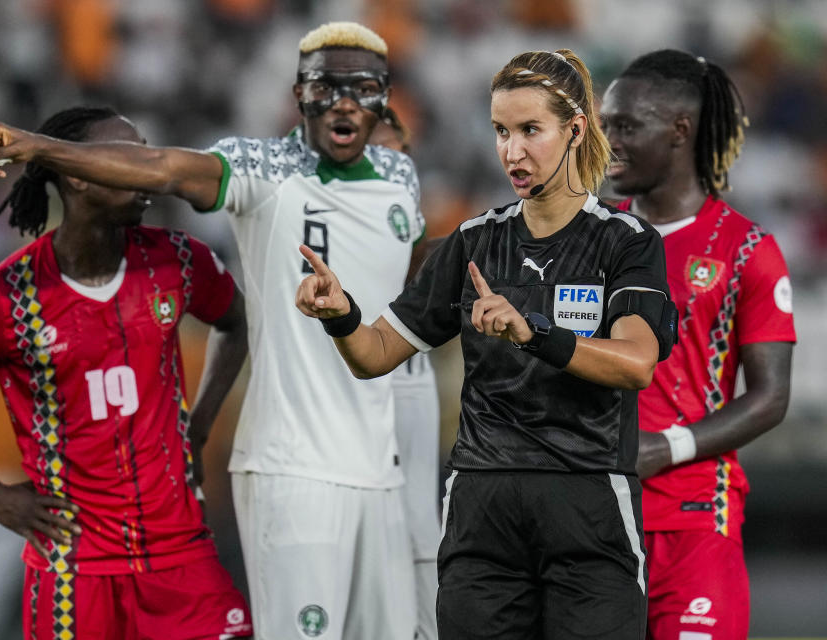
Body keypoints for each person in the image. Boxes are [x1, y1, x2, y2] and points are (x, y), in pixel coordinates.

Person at [0, 22, 423, 640]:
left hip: (384, 472)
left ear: (384, 96)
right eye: (325, 86)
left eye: (361, 88)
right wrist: (39, 147)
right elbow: (164, 167)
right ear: (298, 94)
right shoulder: (262, 166)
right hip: (295, 472)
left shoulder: (402, 178)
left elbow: (408, 272)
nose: (342, 101)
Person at [295, 49, 679, 639]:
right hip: (482, 505)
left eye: (531, 130)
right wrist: (342, 316)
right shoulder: (472, 242)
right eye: (501, 131)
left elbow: (636, 363)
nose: (512, 151)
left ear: (576, 129)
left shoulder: (625, 242)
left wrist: (537, 331)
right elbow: (374, 355)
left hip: (588, 499)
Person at [0, 106, 253, 640]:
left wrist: (200, 425)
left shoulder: (178, 261)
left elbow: (237, 323)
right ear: (77, 174)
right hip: (75, 571)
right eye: (129, 156)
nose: (145, 168)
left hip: (181, 557)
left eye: (147, 152)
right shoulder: (7, 297)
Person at [600, 49, 796, 640]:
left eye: (627, 126)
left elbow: (771, 398)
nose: (608, 141)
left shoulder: (745, 250)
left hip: (692, 521)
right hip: (591, 520)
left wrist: (666, 446)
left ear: (680, 131)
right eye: (605, 125)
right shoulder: (588, 239)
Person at [370, 106, 442, 640]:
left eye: (403, 160)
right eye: (380, 160)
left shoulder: (430, 261)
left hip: (421, 536)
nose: (397, 173)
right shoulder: (309, 253)